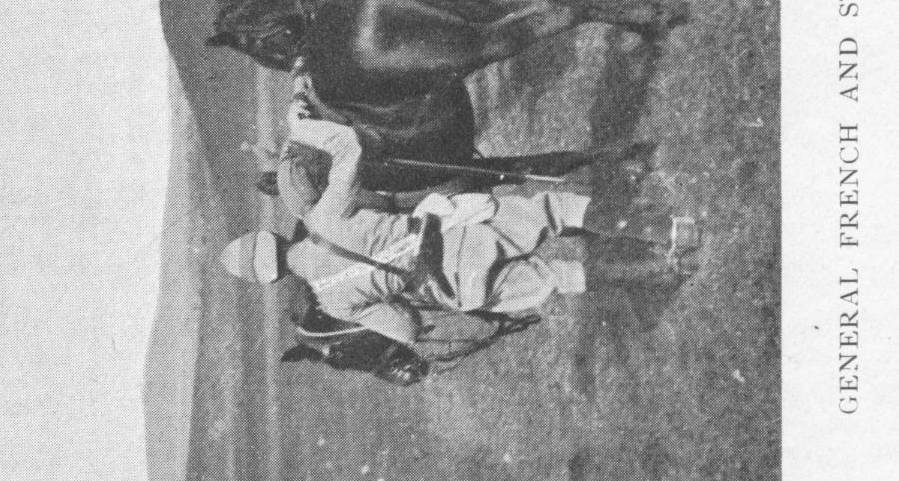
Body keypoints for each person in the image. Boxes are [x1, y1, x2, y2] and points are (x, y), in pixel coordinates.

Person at [222, 110, 699, 343]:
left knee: (557, 278)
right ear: (274, 237)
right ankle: (670, 232)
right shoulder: (320, 216)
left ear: (273, 279)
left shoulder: (333, 302)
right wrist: (300, 129)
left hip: (455, 287)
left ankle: (663, 272)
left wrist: (397, 308)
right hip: (456, 236)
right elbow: (349, 147)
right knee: (557, 210)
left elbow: (407, 331)